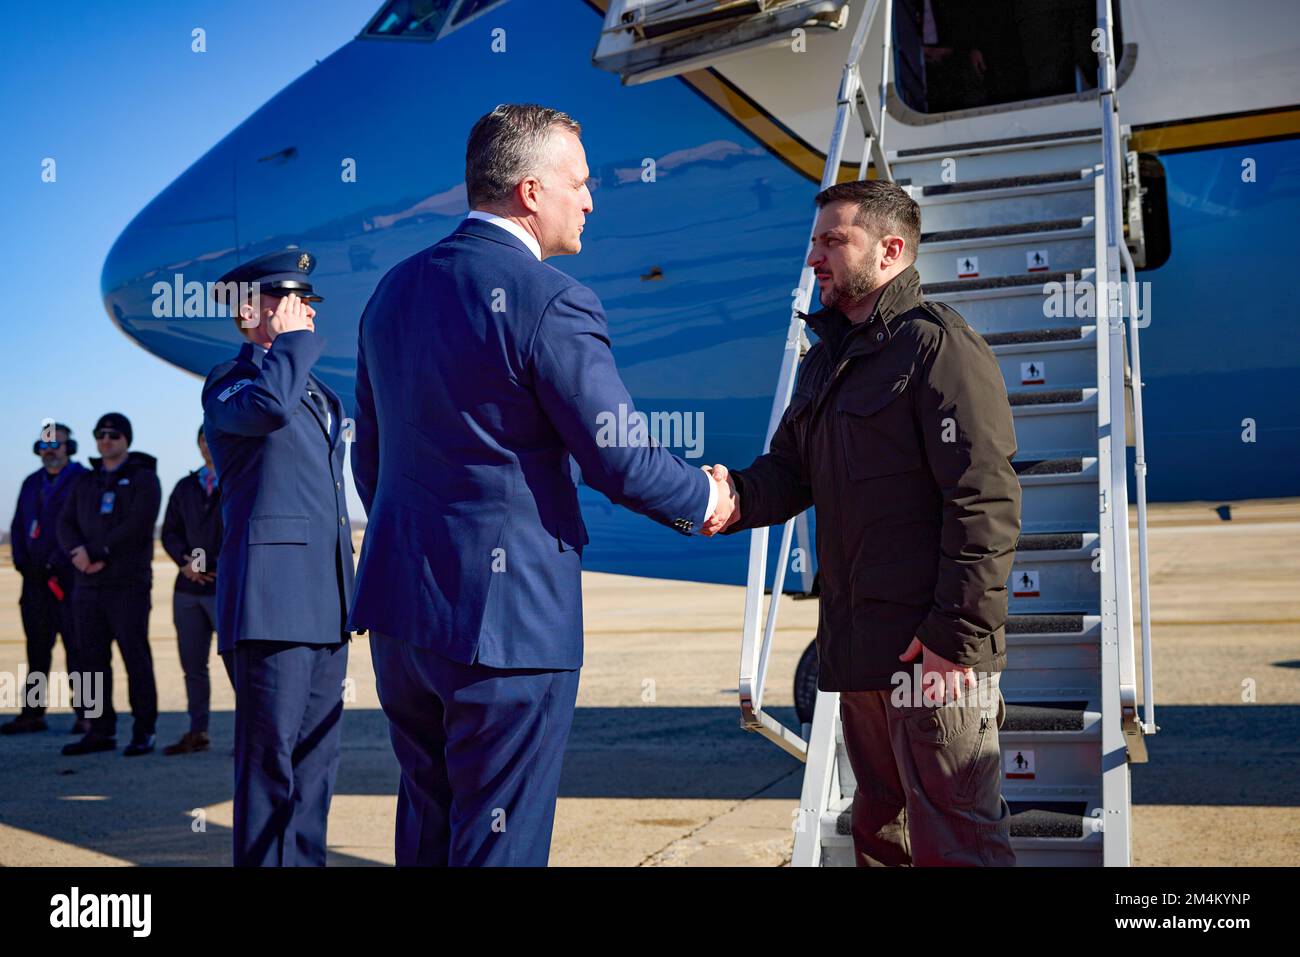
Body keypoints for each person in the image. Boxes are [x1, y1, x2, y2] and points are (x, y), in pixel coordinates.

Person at [348, 103, 735, 867]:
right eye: (580, 183)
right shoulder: (549, 298)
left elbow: (373, 459)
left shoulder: (390, 293)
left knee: (428, 830)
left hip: (401, 615)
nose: (590, 199)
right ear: (530, 191)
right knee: (501, 844)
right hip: (508, 625)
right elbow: (619, 456)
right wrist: (708, 498)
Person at [710, 180, 1021, 867]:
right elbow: (786, 475)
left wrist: (956, 640)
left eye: (832, 240)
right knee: (882, 836)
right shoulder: (828, 362)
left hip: (932, 659)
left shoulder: (938, 349)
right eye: (814, 239)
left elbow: (985, 500)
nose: (814, 255)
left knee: (959, 842)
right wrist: (723, 497)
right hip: (862, 658)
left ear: (890, 250)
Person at [202, 249, 355, 867]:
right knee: (270, 767)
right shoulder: (229, 382)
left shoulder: (315, 393)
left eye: (307, 303)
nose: (304, 312)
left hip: (326, 608)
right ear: (249, 313)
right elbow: (267, 410)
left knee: (315, 769)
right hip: (270, 609)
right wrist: (289, 346)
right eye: (288, 301)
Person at [57, 413, 162, 757]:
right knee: (89, 661)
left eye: (114, 434)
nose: (106, 439)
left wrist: (99, 551)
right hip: (87, 586)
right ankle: (99, 730)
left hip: (127, 585)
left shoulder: (144, 479)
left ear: (126, 439)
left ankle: (144, 731)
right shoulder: (85, 482)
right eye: (100, 434)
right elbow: (65, 523)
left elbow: (138, 524)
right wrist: (79, 554)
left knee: (135, 659)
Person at [3, 423, 88, 735]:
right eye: (44, 445)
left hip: (70, 581)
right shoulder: (30, 483)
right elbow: (17, 526)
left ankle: (87, 713)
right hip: (35, 581)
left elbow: (82, 526)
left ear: (70, 448)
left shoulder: (81, 480)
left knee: (79, 649)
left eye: (56, 444)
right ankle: (32, 713)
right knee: (36, 650)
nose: (50, 450)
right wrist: (24, 564)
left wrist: (57, 563)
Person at [160, 425, 230, 755]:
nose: (207, 445)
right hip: (187, 590)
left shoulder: (238, 481)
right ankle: (197, 731)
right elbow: (170, 532)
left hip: (225, 588)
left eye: (212, 438)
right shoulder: (186, 487)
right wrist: (187, 563)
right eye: (202, 439)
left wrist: (209, 564)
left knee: (238, 666)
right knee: (193, 667)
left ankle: (251, 736)